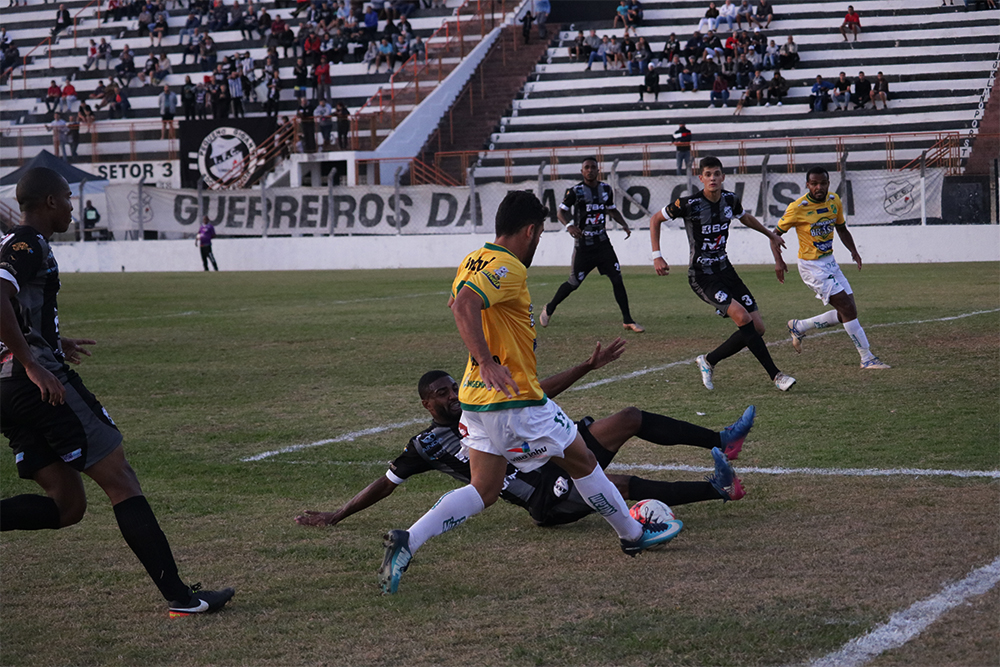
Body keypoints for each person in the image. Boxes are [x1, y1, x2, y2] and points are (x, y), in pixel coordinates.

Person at [376, 191, 683, 595]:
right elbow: (463, 305)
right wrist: (487, 359)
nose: (538, 242)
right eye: (539, 235)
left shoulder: (474, 258)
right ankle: (630, 533)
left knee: (484, 489)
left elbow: (458, 297)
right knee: (583, 459)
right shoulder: (509, 267)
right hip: (513, 399)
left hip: (474, 401)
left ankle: (409, 540)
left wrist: (487, 350)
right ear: (530, 230)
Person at [0, 168, 235, 617]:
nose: (73, 205)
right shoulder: (26, 241)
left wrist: (48, 340)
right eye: (68, 198)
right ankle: (182, 599)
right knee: (121, 480)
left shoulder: (16, 243)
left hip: (7, 388)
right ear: (50, 202)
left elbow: (14, 304)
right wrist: (33, 361)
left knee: (67, 507)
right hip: (35, 383)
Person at [295, 341, 751, 530]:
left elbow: (535, 392)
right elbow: (386, 482)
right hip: (542, 500)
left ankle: (722, 440)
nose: (450, 396)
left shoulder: (481, 402)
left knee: (628, 417)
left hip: (551, 459)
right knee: (617, 486)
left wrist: (587, 366)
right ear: (424, 404)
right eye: (440, 394)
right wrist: (338, 514)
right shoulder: (427, 445)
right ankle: (718, 489)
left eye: (452, 388)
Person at [649, 156, 796, 392]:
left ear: (723, 177)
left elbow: (744, 217)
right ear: (701, 178)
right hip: (702, 276)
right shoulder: (688, 204)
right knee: (743, 318)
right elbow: (655, 218)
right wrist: (657, 254)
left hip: (726, 270)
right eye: (708, 174)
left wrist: (771, 235)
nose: (713, 178)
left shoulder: (730, 199)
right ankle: (776, 375)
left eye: (716, 173)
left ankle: (708, 360)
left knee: (757, 328)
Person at [774, 167, 890, 370]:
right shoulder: (797, 207)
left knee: (848, 310)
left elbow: (841, 228)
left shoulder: (834, 200)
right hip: (811, 267)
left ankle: (799, 326)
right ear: (807, 185)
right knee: (847, 309)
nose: (819, 187)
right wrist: (779, 262)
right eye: (814, 183)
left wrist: (854, 251)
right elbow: (774, 236)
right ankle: (867, 358)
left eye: (823, 183)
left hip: (830, 262)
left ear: (828, 183)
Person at [539, 157, 644, 333]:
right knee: (574, 283)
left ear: (598, 170)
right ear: (582, 172)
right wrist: (569, 225)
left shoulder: (606, 189)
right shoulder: (575, 191)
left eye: (593, 167)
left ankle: (628, 320)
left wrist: (624, 223)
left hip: (603, 244)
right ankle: (549, 308)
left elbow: (611, 208)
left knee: (617, 279)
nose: (590, 170)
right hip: (584, 246)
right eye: (586, 168)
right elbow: (560, 212)